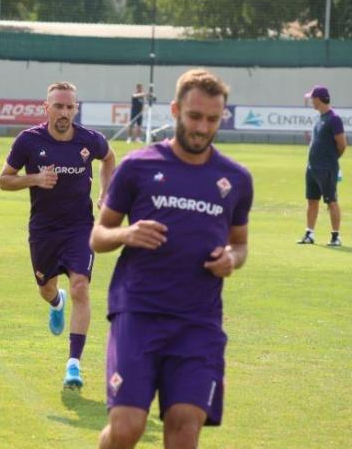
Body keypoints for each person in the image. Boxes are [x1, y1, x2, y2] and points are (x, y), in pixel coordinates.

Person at [91, 68, 253, 448]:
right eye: (195, 117)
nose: (202, 127)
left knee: (184, 427)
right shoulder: (138, 167)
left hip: (198, 321)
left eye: (212, 119)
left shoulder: (236, 179)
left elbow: (241, 245)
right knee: (127, 428)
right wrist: (126, 234)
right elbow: (98, 236)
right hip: (139, 312)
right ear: (176, 110)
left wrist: (232, 257)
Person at [0, 81, 116, 389]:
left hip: (80, 227)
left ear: (76, 108)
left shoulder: (90, 140)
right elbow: (4, 180)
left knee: (80, 287)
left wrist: (106, 192)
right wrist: (35, 178)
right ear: (46, 107)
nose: (64, 112)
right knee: (46, 289)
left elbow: (109, 159)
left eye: (69, 106)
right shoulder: (28, 141)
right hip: (44, 230)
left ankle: (73, 365)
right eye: (58, 106)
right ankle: (55, 304)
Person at [297, 85, 346, 247]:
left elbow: (342, 145)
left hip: (326, 168)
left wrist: (331, 161)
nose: (311, 100)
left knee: (331, 201)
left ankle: (335, 236)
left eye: (312, 98)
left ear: (319, 99)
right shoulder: (319, 118)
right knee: (312, 201)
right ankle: (309, 234)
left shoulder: (334, 118)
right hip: (312, 168)